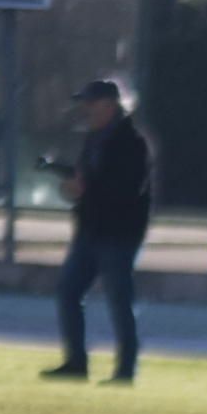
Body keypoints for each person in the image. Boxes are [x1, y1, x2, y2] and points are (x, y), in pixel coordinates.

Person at [45, 79, 150, 385]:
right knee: (68, 292)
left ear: (109, 105)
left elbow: (126, 189)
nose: (85, 109)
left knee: (119, 300)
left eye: (90, 103)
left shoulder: (132, 142)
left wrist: (85, 189)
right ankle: (76, 363)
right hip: (90, 231)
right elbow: (86, 179)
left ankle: (125, 369)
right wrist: (74, 187)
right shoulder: (93, 139)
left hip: (118, 234)